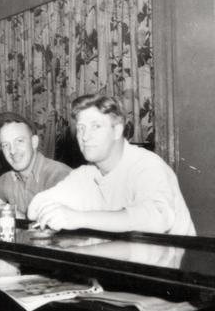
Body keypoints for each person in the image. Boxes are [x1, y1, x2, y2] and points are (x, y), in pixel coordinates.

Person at [27, 94, 195, 235]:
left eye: (96, 126)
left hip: (174, 262)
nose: (85, 137)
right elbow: (34, 208)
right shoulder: (86, 174)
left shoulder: (147, 165)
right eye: (81, 128)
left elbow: (157, 218)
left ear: (117, 130)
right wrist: (62, 212)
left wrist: (79, 218)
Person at [0, 112, 71, 219]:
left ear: (34, 142)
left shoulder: (59, 175)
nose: (13, 151)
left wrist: (16, 215)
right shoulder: (8, 179)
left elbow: (64, 226)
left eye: (19, 141)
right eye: (6, 145)